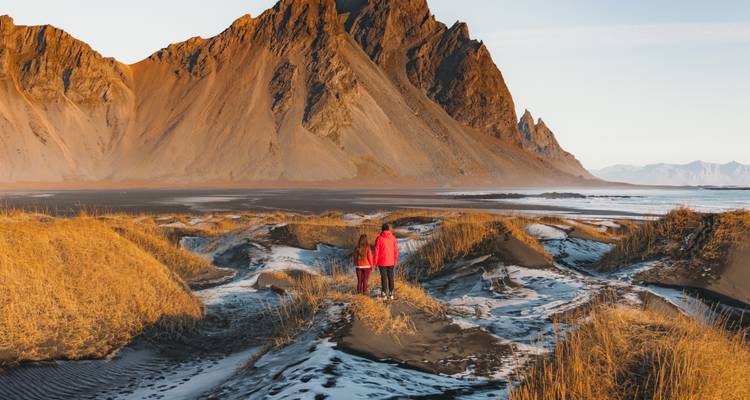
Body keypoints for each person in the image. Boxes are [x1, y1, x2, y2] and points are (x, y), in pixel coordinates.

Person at [373, 223, 399, 300]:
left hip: (382, 262)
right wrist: (395, 260)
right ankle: (391, 293)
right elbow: (396, 251)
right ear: (388, 229)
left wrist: (374, 263)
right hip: (391, 261)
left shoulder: (379, 238)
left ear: (382, 229)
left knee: (384, 277)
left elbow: (376, 252)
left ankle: (384, 293)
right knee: (391, 277)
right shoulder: (393, 238)